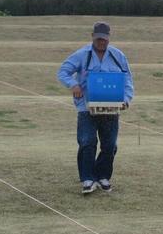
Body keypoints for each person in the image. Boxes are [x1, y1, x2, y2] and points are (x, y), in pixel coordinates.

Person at [57, 21, 134, 194]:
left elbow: (127, 79)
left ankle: (103, 176)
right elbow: (63, 71)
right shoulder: (81, 55)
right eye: (98, 39)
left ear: (109, 39)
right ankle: (87, 179)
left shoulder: (118, 56)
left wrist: (127, 98)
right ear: (92, 37)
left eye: (104, 39)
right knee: (87, 142)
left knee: (110, 145)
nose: (101, 42)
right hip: (86, 107)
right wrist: (73, 85)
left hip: (111, 108)